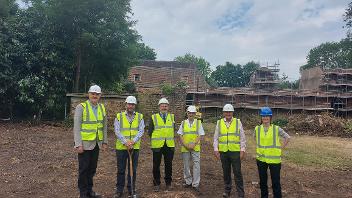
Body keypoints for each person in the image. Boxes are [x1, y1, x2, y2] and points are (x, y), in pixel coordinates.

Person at [73, 85, 107, 198]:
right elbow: (76, 127)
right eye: (93, 93)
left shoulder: (102, 108)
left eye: (97, 94)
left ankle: (89, 191)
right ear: (89, 94)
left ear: (100, 96)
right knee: (83, 169)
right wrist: (78, 144)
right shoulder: (81, 107)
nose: (95, 96)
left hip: (96, 144)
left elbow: (104, 127)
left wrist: (104, 142)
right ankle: (83, 194)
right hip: (84, 145)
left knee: (92, 169)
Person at [254, 107, 290, 198]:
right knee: (262, 182)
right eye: (263, 116)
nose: (265, 118)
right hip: (261, 159)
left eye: (267, 116)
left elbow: (287, 137)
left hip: (274, 160)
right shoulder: (257, 129)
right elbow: (255, 139)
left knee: (275, 182)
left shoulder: (276, 129)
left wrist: (280, 148)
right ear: (261, 117)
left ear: (270, 117)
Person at [114, 96, 145, 198]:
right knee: (121, 169)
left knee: (133, 169)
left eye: (132, 104)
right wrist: (126, 142)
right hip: (121, 148)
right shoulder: (119, 116)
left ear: (135, 105)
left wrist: (133, 141)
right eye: (129, 104)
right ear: (126, 104)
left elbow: (141, 131)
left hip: (134, 147)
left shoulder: (140, 117)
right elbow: (117, 131)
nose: (130, 106)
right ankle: (119, 190)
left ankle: (131, 188)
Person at [214, 104, 246, 198]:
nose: (228, 113)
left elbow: (242, 138)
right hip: (223, 152)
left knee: (237, 173)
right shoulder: (219, 123)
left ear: (232, 112)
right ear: (223, 113)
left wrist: (242, 150)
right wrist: (216, 149)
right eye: (226, 112)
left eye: (230, 112)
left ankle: (241, 193)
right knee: (226, 172)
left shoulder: (238, 122)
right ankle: (227, 191)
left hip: (235, 152)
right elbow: (216, 138)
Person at [148, 98, 175, 192]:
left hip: (169, 145)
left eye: (166, 105)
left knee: (169, 165)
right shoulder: (153, 117)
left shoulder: (172, 117)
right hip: (157, 145)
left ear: (168, 107)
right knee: (156, 165)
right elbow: (150, 132)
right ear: (159, 107)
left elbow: (173, 130)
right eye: (162, 105)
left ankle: (168, 183)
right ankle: (156, 183)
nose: (164, 107)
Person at [177, 105, 205, 194]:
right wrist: (185, 144)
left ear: (195, 114)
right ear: (187, 113)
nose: (191, 114)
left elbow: (200, 135)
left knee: (196, 165)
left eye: (193, 113)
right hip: (185, 147)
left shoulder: (198, 123)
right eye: (189, 113)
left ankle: (195, 184)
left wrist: (193, 144)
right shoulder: (183, 123)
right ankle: (188, 181)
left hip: (195, 147)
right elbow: (180, 135)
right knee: (186, 165)